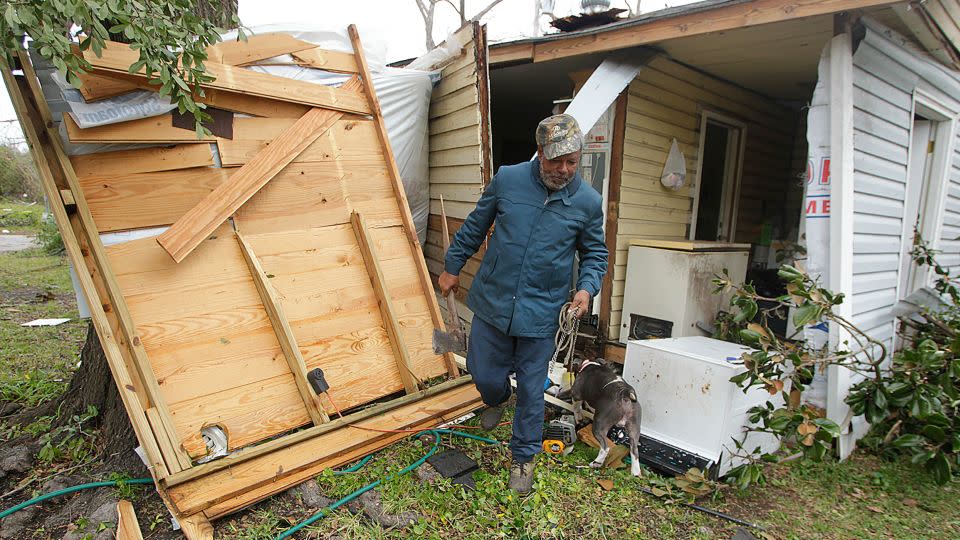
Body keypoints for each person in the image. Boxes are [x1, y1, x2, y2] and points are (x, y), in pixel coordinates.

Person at [438, 113, 608, 493]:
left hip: (543, 311)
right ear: (539, 152)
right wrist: (452, 265)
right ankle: (496, 398)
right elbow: (475, 225)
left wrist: (586, 289)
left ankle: (523, 459)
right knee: (483, 372)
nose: (564, 170)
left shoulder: (587, 201)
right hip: (495, 299)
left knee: (532, 390)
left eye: (572, 162)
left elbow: (596, 254)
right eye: (556, 160)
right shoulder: (508, 179)